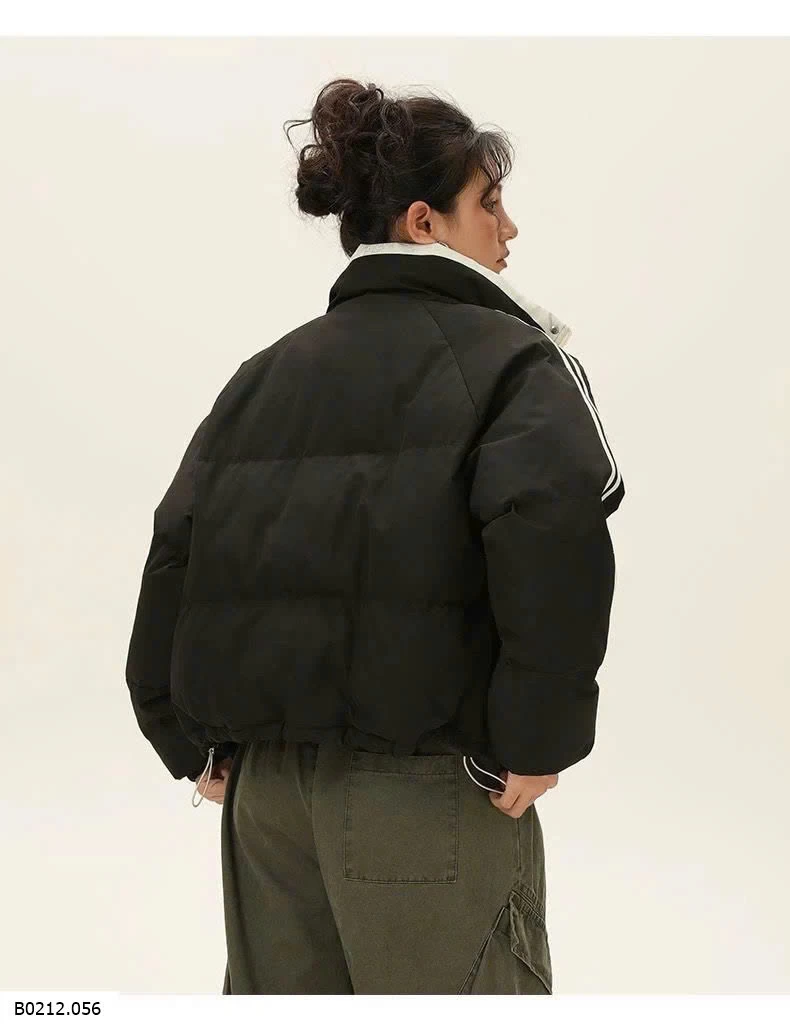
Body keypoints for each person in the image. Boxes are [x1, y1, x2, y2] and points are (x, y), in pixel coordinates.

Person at [124, 77, 625, 995]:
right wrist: (538, 736)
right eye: (491, 203)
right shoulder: (514, 361)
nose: (510, 229)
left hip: (265, 807)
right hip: (425, 800)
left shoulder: (261, 375)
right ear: (424, 222)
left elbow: (176, 547)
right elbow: (553, 528)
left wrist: (183, 738)